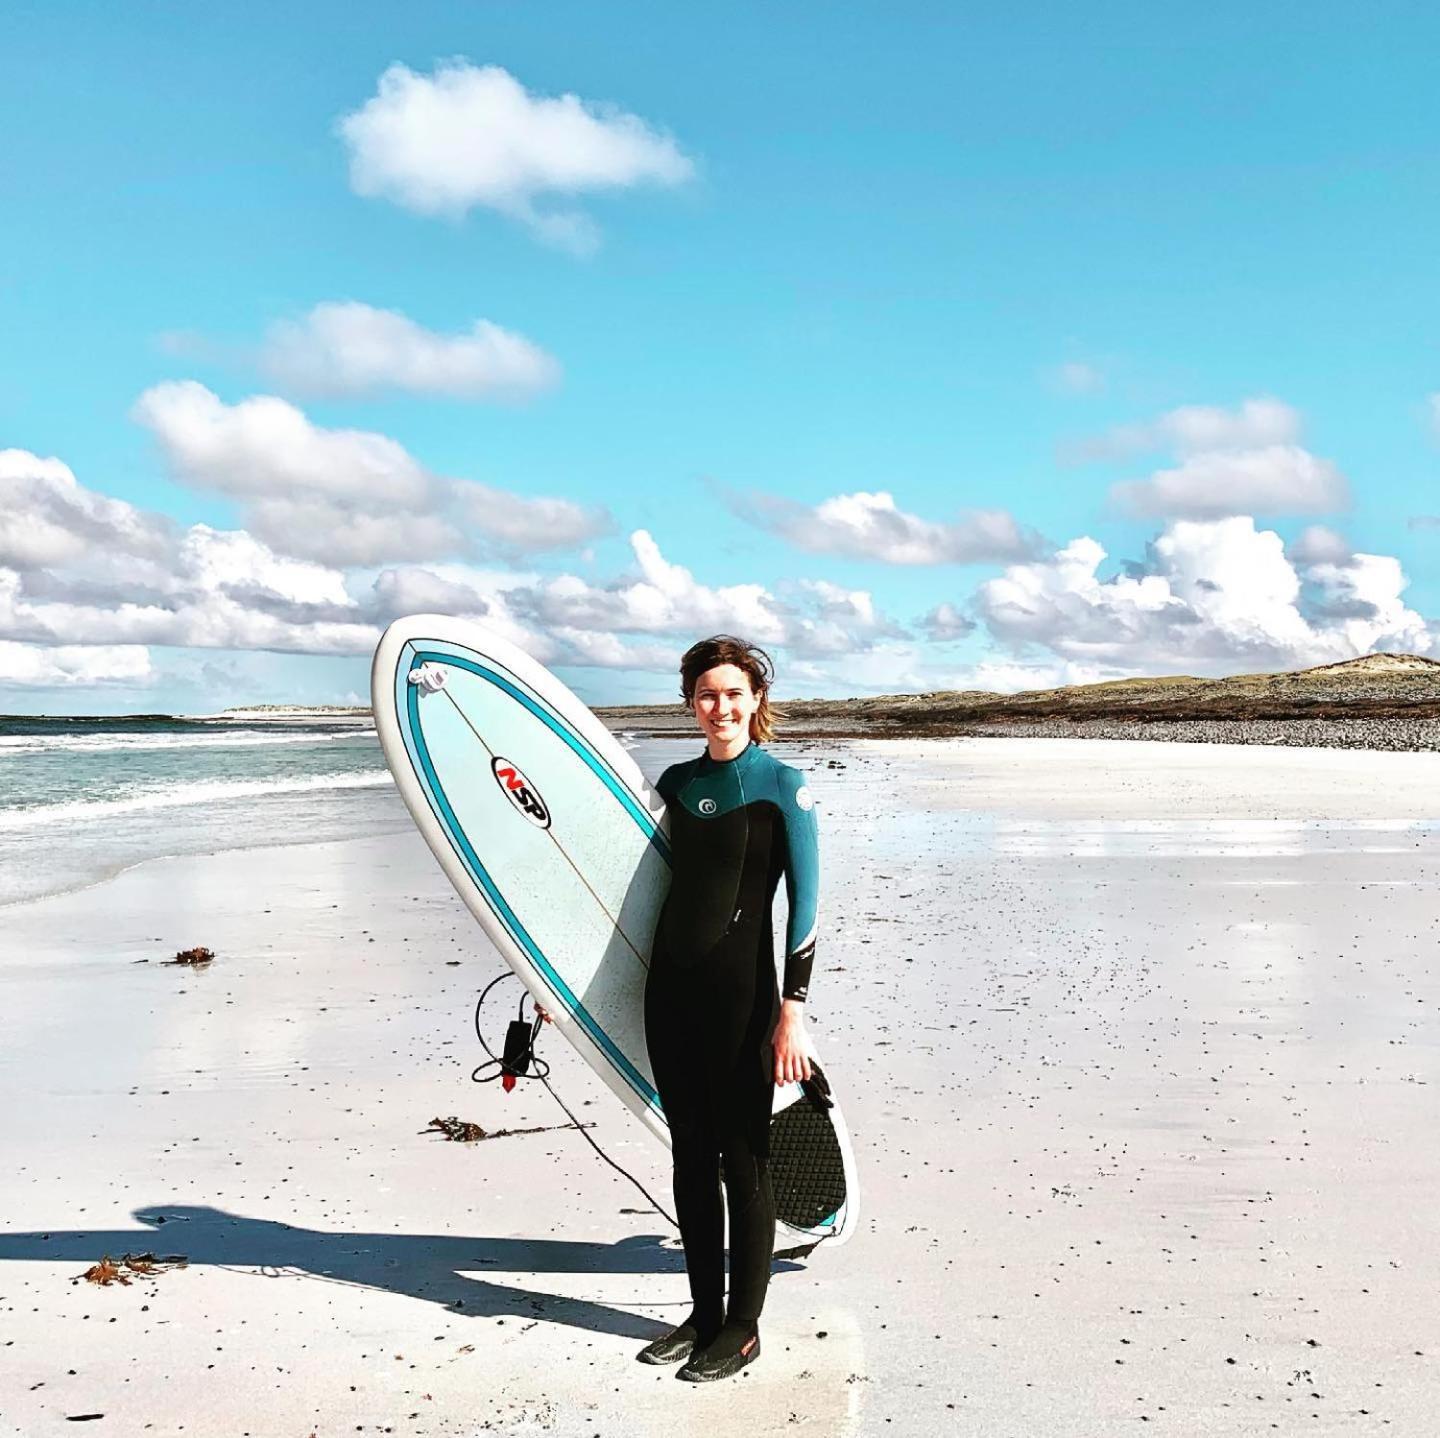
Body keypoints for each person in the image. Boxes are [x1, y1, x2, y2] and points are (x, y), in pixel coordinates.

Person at [636, 633, 820, 1382]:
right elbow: (635, 895)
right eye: (707, 695)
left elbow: (807, 904)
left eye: (734, 694)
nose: (721, 707)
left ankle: (743, 1326)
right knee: (688, 1155)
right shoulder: (675, 784)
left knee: (743, 1155)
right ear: (690, 703)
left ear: (756, 701)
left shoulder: (784, 785)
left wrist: (793, 1009)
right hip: (670, 993)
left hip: (744, 997)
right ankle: (703, 1315)